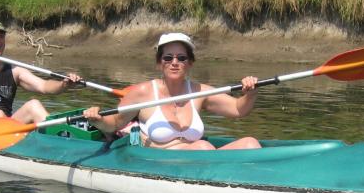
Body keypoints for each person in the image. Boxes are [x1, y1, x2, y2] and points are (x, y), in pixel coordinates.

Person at [83, 32, 261, 150]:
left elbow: (238, 109)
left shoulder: (199, 92)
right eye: (168, 58)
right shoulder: (143, 92)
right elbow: (114, 123)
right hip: (163, 161)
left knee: (250, 143)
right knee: (203, 147)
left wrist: (250, 92)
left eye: (181, 58)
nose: (174, 62)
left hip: (200, 157)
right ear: (159, 63)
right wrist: (97, 119)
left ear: (190, 63)